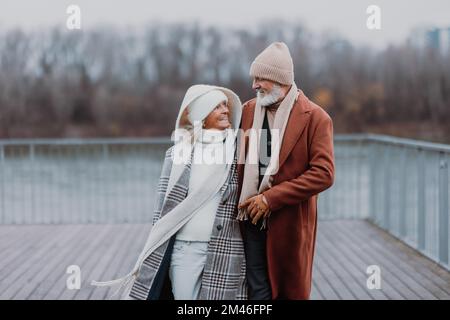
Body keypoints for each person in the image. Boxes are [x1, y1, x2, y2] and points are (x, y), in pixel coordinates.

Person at [92, 85, 247, 300]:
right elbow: (162, 208)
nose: (225, 110)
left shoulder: (240, 151)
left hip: (225, 247)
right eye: (217, 106)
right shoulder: (176, 155)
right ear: (202, 115)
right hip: (185, 250)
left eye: (225, 105)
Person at [237, 42, 335, 300]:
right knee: (257, 292)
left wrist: (271, 198)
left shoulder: (316, 117)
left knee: (290, 292)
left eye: (261, 78)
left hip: (290, 223)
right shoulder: (247, 111)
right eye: (254, 78)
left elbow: (324, 173)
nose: (254, 85)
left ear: (280, 79)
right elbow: (234, 161)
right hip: (250, 218)